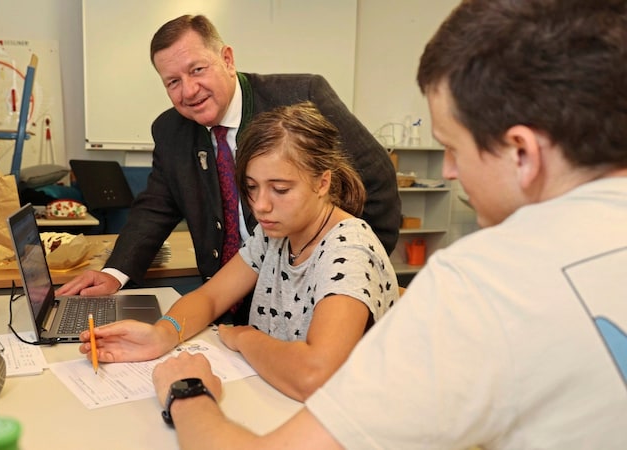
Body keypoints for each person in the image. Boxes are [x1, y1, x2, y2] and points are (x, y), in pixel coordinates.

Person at [148, 0, 627, 448]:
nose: (451, 172)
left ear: (522, 152)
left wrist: (187, 392)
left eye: (453, 148)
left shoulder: (477, 284)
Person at [57, 14, 400, 324]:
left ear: (227, 60)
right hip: (228, 295)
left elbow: (376, 180)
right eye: (172, 82)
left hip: (308, 294)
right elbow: (156, 207)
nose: (188, 91)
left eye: (197, 70)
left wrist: (350, 264)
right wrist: (116, 272)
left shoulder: (300, 96)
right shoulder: (170, 130)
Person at [78, 102, 399, 402]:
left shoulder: (349, 252)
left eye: (280, 189)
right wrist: (161, 334)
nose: (260, 205)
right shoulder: (275, 234)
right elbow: (211, 297)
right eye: (252, 187)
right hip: (277, 398)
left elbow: (314, 375)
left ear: (322, 182)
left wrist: (244, 337)